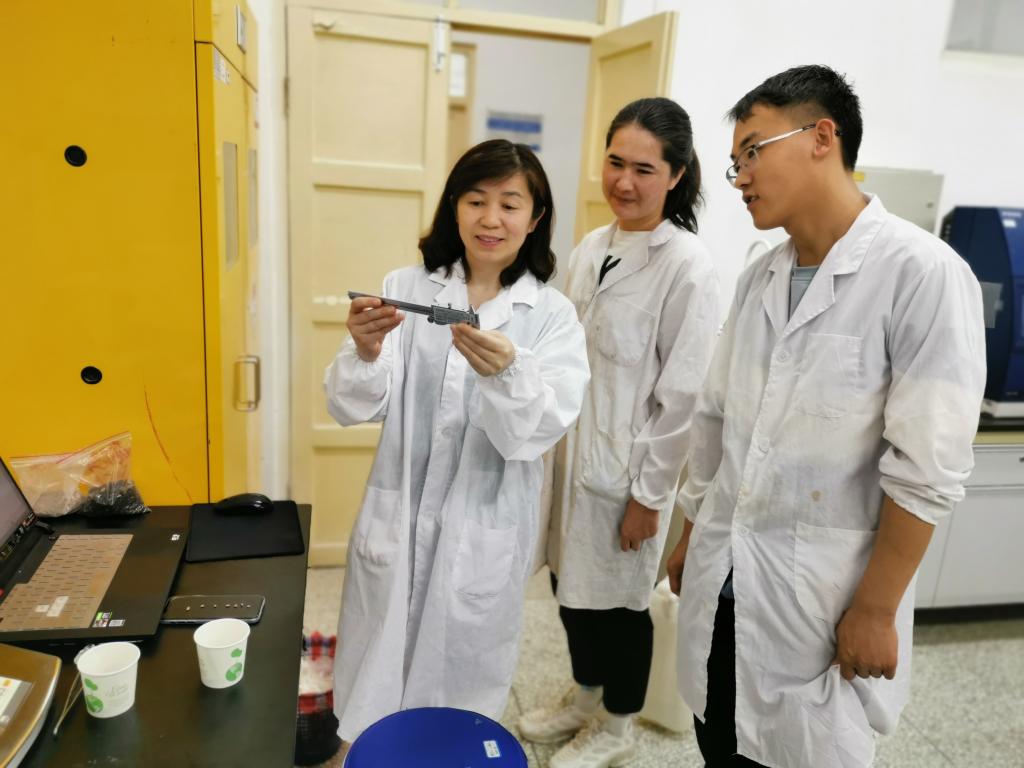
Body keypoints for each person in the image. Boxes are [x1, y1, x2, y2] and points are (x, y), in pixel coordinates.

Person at [666, 65, 987, 767]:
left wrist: (875, 608)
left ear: (821, 137)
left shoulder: (922, 274)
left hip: (821, 599)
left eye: (753, 150)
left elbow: (926, 470)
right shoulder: (761, 275)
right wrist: (691, 531)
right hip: (726, 574)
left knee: (800, 750)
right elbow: (716, 420)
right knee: (718, 735)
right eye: (735, 162)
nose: (741, 177)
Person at [324, 139, 590, 743]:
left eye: (510, 204)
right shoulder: (406, 286)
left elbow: (536, 432)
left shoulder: (550, 315)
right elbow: (352, 404)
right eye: (475, 200)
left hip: (482, 527)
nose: (491, 219)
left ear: (535, 218)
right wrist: (365, 348)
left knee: (459, 686)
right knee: (378, 674)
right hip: (398, 513)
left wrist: (508, 375)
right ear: (454, 206)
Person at [518, 97, 720, 767]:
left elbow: (682, 399)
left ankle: (616, 726)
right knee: (569, 592)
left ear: (677, 175)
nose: (624, 182)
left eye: (643, 169)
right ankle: (585, 699)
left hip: (626, 474)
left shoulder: (688, 266)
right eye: (615, 162)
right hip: (567, 463)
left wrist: (649, 497)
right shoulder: (590, 248)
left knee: (621, 610)